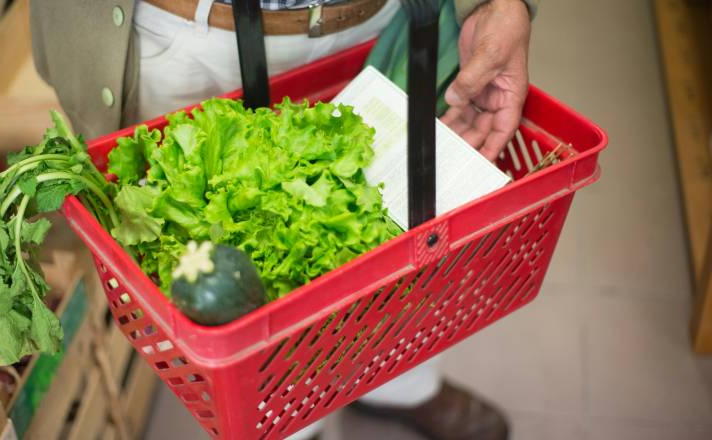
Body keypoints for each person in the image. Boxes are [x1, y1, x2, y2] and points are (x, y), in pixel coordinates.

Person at [30, 0, 535, 439]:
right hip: (182, 38)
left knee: (398, 233)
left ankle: (402, 383)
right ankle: (290, 423)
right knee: (247, 299)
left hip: (372, 23)